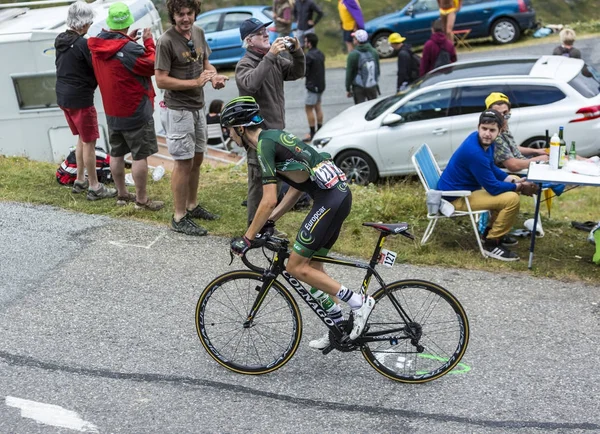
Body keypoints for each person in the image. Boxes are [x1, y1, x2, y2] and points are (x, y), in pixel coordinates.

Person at [222, 96, 375, 345]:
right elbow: (297, 187)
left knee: (295, 266)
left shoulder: (264, 146)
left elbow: (268, 199)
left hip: (330, 200)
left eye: (229, 130)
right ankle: (338, 326)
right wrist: (272, 220)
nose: (230, 136)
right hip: (337, 196)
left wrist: (247, 238)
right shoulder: (275, 137)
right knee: (312, 267)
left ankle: (358, 302)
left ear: (239, 128)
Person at [155, 0, 228, 236]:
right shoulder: (165, 41)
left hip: (198, 106)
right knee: (183, 162)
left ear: (195, 14)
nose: (186, 19)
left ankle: (192, 205)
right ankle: (179, 216)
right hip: (178, 110)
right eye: (181, 15)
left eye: (189, 13)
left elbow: (205, 62)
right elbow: (161, 80)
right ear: (173, 16)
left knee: (197, 159)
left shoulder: (198, 32)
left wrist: (214, 77)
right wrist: (194, 83)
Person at [88, 2, 164, 211]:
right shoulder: (130, 48)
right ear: (128, 22)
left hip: (112, 111)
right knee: (140, 155)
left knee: (117, 154)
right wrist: (148, 42)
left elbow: (117, 56)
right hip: (135, 110)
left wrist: (127, 40)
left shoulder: (96, 46)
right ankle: (141, 200)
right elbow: (153, 64)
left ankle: (122, 194)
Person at [437, 109, 538, 261]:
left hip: (466, 191)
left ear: (499, 132)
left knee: (513, 178)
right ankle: (492, 243)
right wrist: (519, 187)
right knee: (511, 199)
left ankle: (490, 231)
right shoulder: (474, 152)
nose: (487, 133)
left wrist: (513, 181)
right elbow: (493, 187)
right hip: (454, 198)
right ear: (478, 127)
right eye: (484, 129)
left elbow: (491, 168)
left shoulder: (486, 144)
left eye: (492, 130)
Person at [235, 17, 305, 226]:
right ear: (249, 41)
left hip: (276, 132)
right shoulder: (244, 64)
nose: (266, 34)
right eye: (260, 33)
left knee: (272, 183)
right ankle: (253, 229)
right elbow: (250, 85)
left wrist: (296, 52)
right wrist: (272, 56)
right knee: (258, 183)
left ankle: (266, 227)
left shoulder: (271, 59)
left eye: (266, 30)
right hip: (257, 135)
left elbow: (297, 72)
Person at [55, 1, 117, 201]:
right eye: (89, 23)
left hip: (63, 97)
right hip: (80, 99)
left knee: (82, 137)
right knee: (90, 141)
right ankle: (94, 186)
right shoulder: (82, 44)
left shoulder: (61, 39)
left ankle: (80, 179)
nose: (90, 26)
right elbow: (97, 68)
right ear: (83, 24)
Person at [485, 92, 549, 172]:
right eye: (498, 114)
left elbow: (511, 147)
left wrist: (536, 151)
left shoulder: (503, 127)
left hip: (521, 164)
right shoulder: (493, 133)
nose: (503, 118)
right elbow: (513, 165)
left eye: (505, 113)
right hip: (513, 175)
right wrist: (538, 160)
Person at [345, 29, 380, 104]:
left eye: (354, 38)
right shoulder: (374, 52)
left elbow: (349, 73)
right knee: (373, 107)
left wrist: (348, 88)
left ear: (357, 41)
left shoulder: (353, 54)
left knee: (359, 108)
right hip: (372, 85)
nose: (353, 39)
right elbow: (378, 70)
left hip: (358, 86)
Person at [303, 33, 325, 142]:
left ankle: (312, 133)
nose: (305, 43)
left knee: (308, 108)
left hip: (312, 86)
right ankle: (320, 130)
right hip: (321, 85)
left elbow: (305, 72)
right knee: (318, 107)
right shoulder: (320, 53)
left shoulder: (309, 56)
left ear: (309, 43)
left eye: (306, 41)